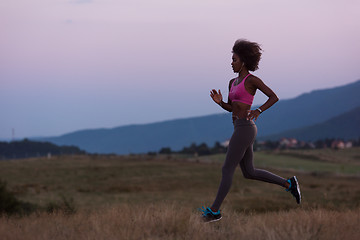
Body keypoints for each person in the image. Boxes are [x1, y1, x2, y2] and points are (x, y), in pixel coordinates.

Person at [200, 39, 301, 223]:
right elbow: (233, 108)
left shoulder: (251, 80)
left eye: (234, 59)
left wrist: (258, 110)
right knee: (249, 172)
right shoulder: (232, 82)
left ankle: (214, 211)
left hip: (246, 128)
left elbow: (273, 97)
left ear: (244, 61)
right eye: (231, 60)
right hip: (239, 127)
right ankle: (289, 184)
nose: (231, 63)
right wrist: (220, 103)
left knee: (227, 168)